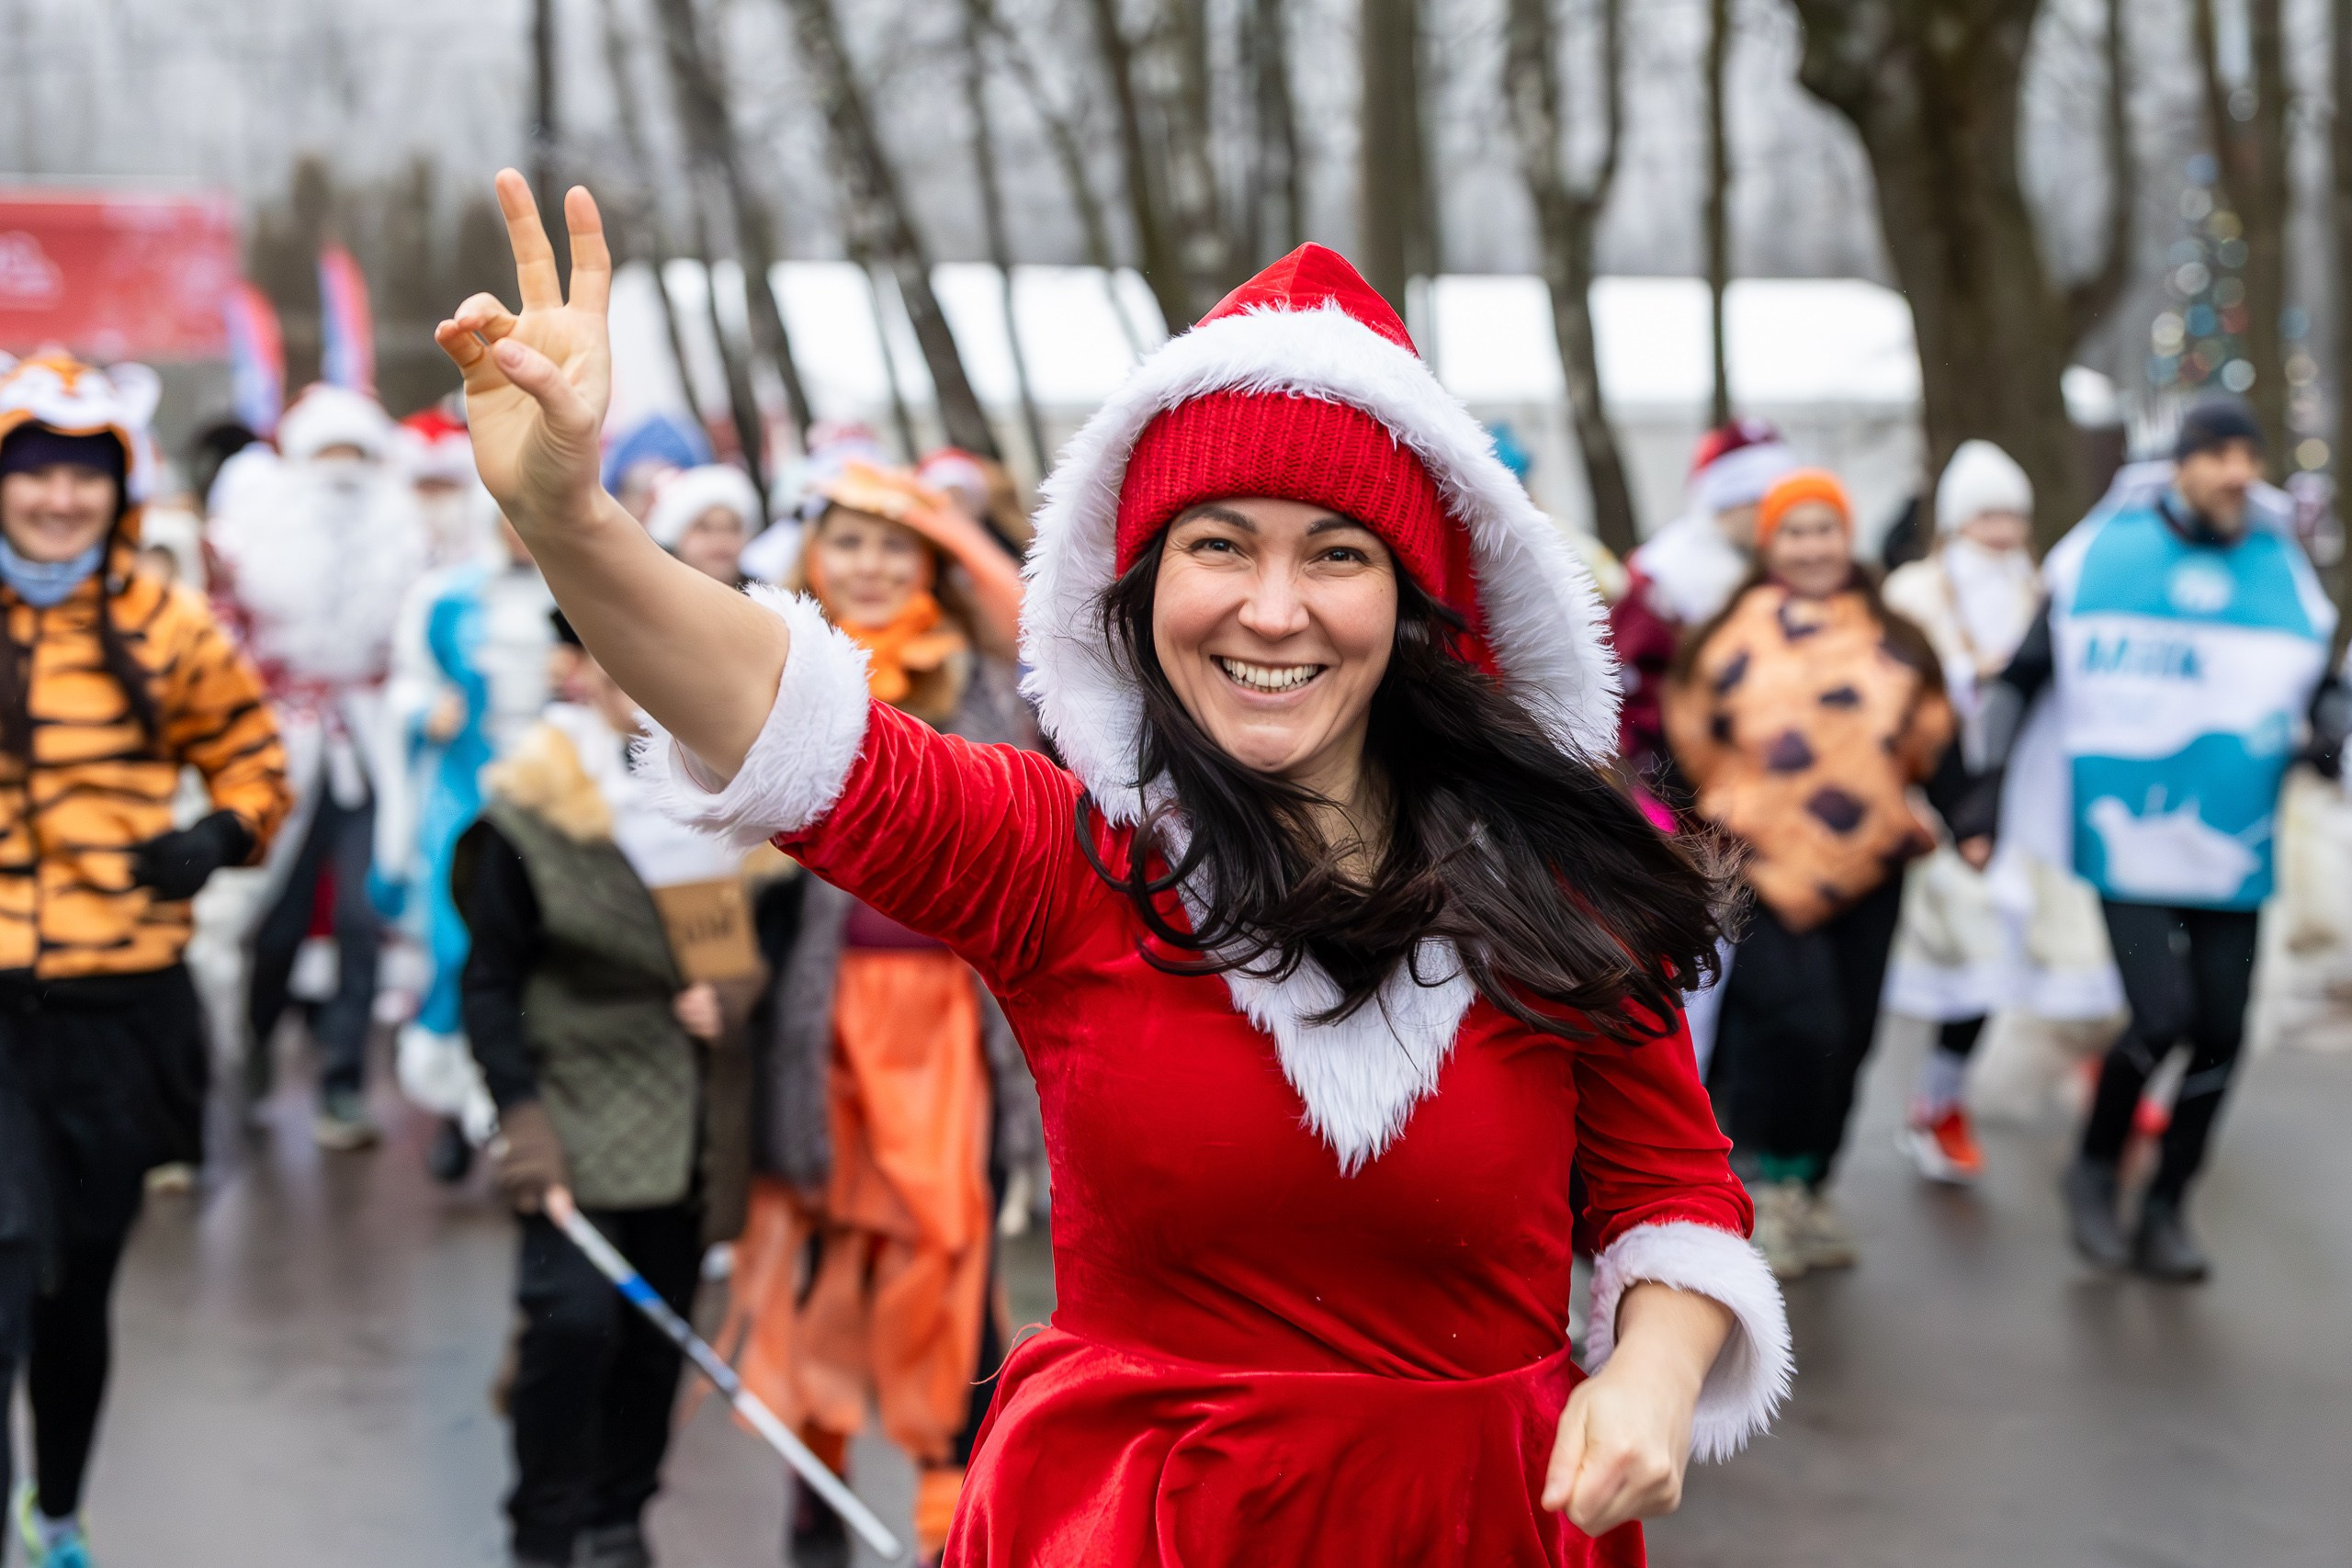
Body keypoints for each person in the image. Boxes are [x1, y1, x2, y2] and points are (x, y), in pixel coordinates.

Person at [440, 174, 1790, 1567]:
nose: (1275, 608)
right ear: (1143, 591)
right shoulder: (1067, 859)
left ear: (1415, 601)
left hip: (1484, 1524)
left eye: (1337, 552)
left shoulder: (1554, 879)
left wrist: (1655, 1366)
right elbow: (785, 720)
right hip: (1136, 1526)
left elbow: (1672, 1188)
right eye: (1219, 545)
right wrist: (574, 522)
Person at [715, 460, 1037, 1566]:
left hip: (945, 1018)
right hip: (817, 1024)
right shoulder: (774, 672)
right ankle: (820, 1484)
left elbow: (1045, 651)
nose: (869, 565)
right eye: (848, 543)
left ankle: (955, 1505)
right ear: (811, 557)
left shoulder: (977, 685)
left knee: (948, 1260)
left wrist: (955, 521)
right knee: (824, 1252)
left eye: (894, 547)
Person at [0, 355, 289, 1568]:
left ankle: (55, 1505)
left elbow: (255, 766)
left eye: (83, 476)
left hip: (123, 1004)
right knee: (7, 1262)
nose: (59, 499)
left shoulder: (165, 620)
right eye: (35, 476)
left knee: (77, 1286)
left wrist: (216, 835)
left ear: (117, 486)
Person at [1973, 397, 2341, 1280]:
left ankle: (2170, 1205)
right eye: (2217, 454)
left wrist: (2332, 730)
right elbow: (2021, 676)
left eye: (2248, 456)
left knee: (2221, 1031)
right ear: (2179, 463)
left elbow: (2319, 678)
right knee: (2163, 1015)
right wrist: (1984, 790)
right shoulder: (2105, 555)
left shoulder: (2277, 563)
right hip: (2127, 838)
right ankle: (2095, 1171)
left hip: (2233, 839)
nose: (2238, 472)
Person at [455, 622, 742, 1568]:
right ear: (578, 673)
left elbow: (730, 951)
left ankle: (620, 1515)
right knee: (571, 1325)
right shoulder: (532, 813)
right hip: (567, 1087)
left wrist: (729, 992)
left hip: (681, 1102)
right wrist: (520, 1119)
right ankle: (542, 1527)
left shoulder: (709, 801)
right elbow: (489, 981)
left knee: (653, 1336)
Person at [1664, 469, 1955, 1280]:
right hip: (1763, 866)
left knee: (1852, 1034)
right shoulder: (1725, 636)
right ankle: (1757, 1183)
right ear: (1769, 542)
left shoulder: (1896, 635)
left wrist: (1974, 819)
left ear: (1847, 537)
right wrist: (1692, 832)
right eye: (1796, 531)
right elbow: (1684, 737)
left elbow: (1934, 736)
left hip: (1872, 868)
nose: (1813, 546)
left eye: (1826, 529)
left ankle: (1810, 1182)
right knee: (1795, 1025)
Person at [209, 383, 430, 1147]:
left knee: (367, 915)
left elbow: (420, 645)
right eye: (327, 457)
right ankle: (256, 1040)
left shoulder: (406, 542)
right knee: (276, 916)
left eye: (356, 458)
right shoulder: (248, 542)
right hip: (283, 745)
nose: (342, 475)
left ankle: (344, 1083)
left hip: (370, 747)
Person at [1880, 441, 2049, 1182]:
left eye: (2013, 513)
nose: (2002, 528)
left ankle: (2089, 1073)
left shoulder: (2039, 586)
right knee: (1969, 959)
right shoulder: (1916, 589)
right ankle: (1937, 1103)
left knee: (2043, 954)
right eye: (1986, 513)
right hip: (1943, 800)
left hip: (2029, 794)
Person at [381, 500, 553, 1181]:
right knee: (463, 946)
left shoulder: (584, 583)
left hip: (555, 797)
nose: (521, 524)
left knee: (543, 956)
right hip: (466, 796)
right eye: (510, 510)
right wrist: (426, 709)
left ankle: (517, 1112)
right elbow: (405, 681)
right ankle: (455, 1106)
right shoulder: (446, 594)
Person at [1611, 419, 1800, 794]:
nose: (1768, 514)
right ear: (1724, 501)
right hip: (1691, 790)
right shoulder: (1665, 577)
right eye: (1756, 499)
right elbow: (1632, 693)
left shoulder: (1785, 567)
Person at [643, 463, 762, 587]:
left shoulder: (763, 598)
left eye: (732, 528)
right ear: (677, 537)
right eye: (705, 528)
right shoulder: (654, 595)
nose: (721, 540)